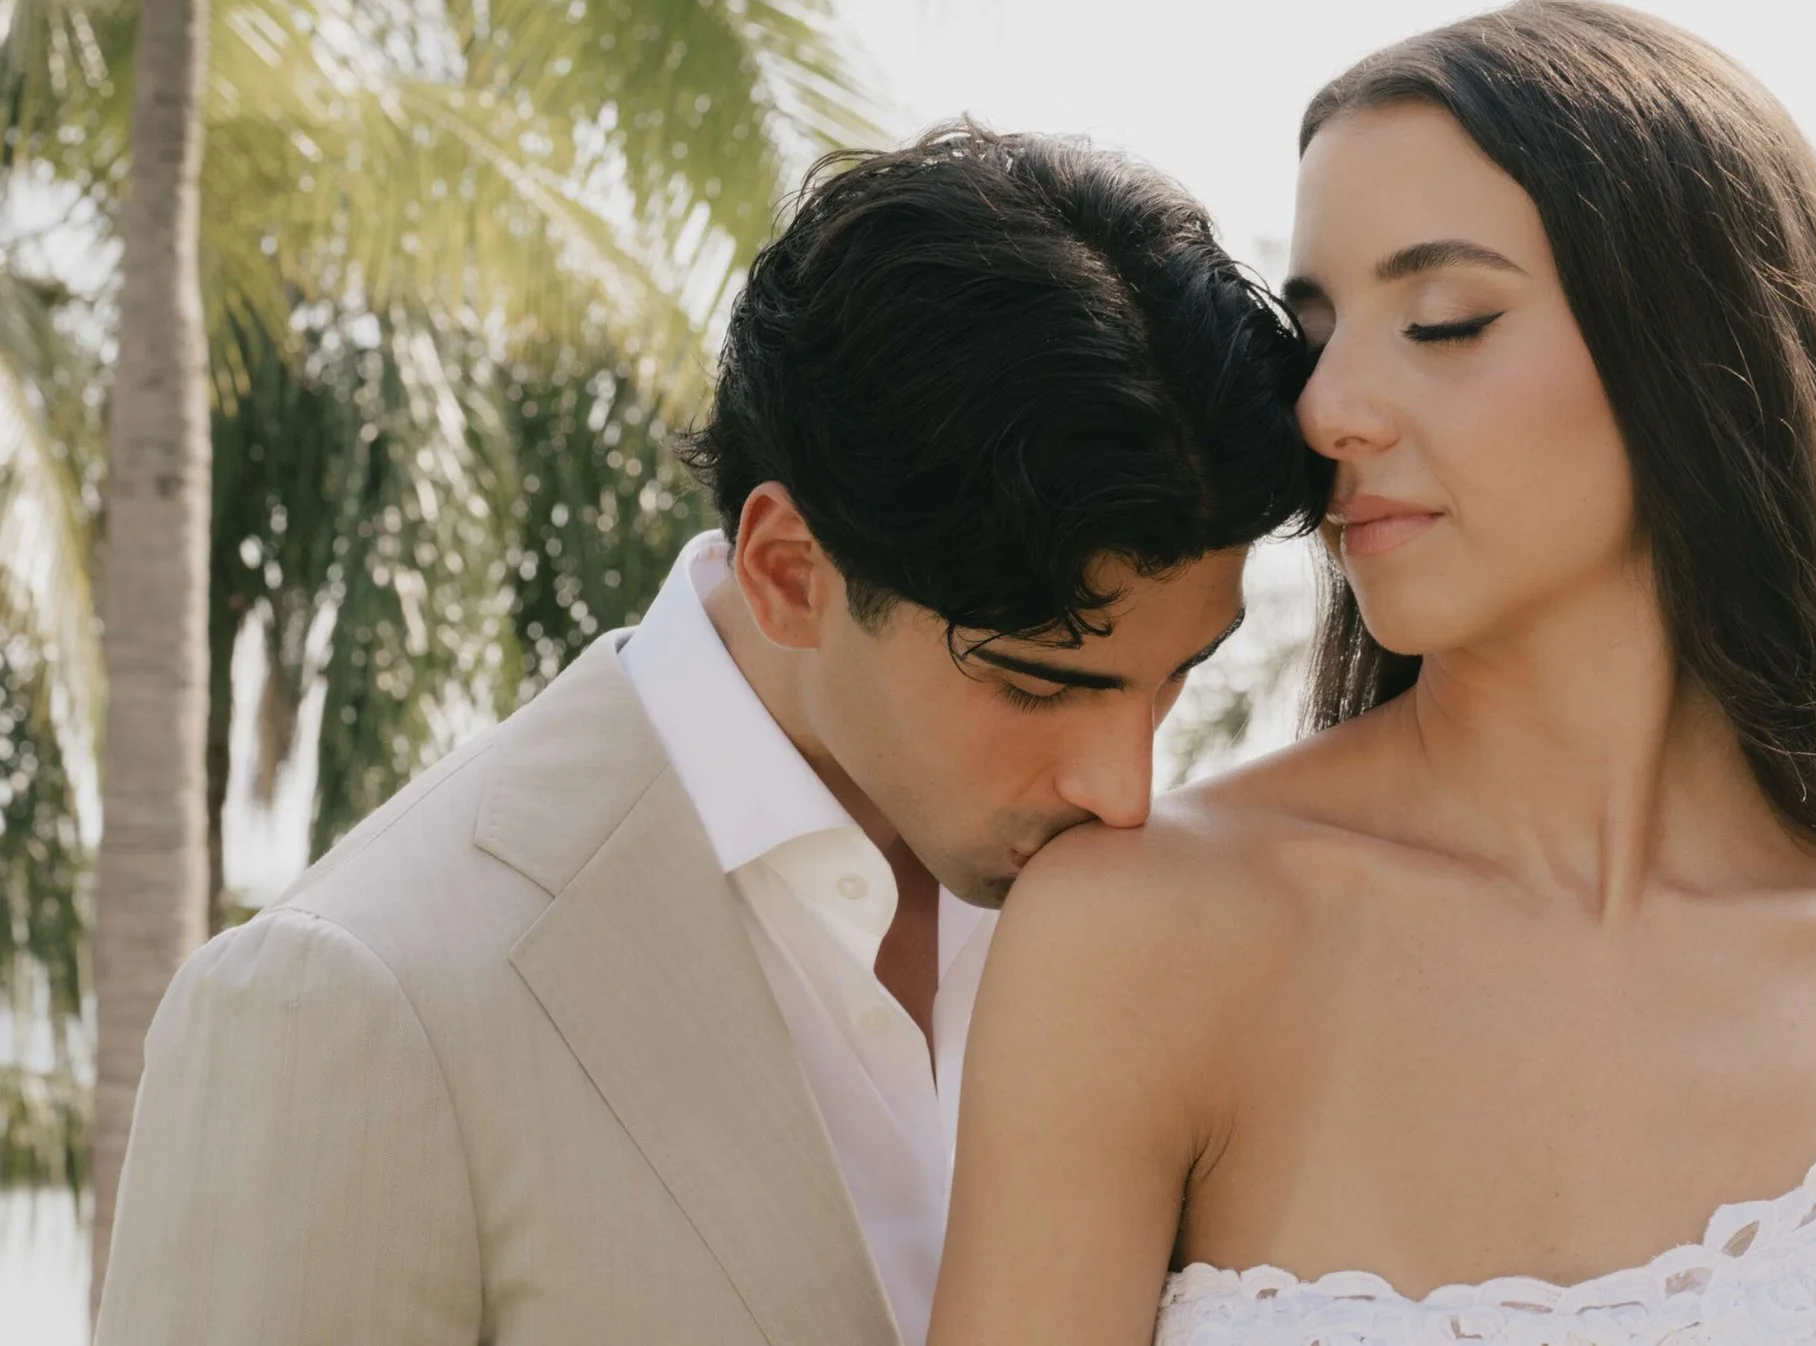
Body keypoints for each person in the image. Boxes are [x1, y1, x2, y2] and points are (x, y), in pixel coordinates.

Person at [929, 0, 1816, 1346]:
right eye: (1319, 330)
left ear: (1704, 360)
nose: (1329, 406)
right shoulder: (1140, 934)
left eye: (1447, 319)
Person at [92, 124, 1324, 1346]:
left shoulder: (1166, 928)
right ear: (788, 569)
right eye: (1041, 687)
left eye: (1172, 679)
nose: (1124, 787)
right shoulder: (354, 1001)